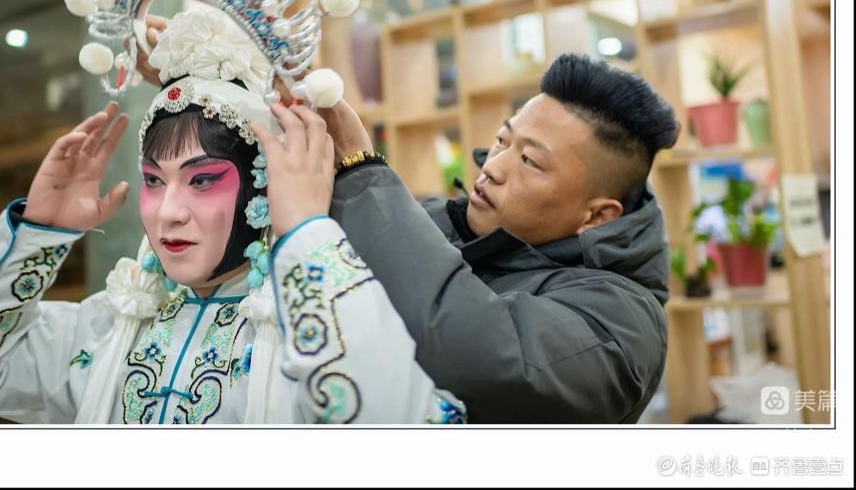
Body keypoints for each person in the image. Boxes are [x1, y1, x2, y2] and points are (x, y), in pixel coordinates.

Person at [0, 7, 467, 425]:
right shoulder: (114, 325)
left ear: (264, 186)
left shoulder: (308, 331)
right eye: (153, 180)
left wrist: (305, 230)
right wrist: (41, 235)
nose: (169, 213)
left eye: (203, 180)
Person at [141, 45, 679, 423]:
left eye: (531, 163)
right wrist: (209, 83)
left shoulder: (622, 323)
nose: (492, 167)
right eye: (502, 141)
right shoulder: (441, 224)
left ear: (597, 216)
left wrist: (358, 167)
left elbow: (476, 354)